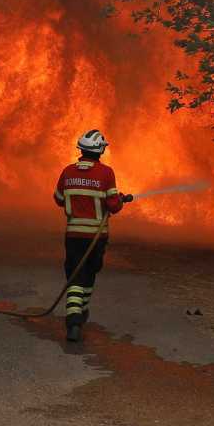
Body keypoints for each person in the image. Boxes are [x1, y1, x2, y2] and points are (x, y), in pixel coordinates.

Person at [52, 129, 133, 342]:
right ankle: (77, 318)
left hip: (73, 236)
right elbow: (113, 206)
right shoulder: (106, 173)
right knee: (88, 274)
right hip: (96, 238)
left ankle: (76, 316)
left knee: (74, 275)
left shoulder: (68, 171)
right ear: (100, 151)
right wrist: (120, 200)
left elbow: (59, 199)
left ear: (81, 150)